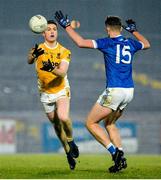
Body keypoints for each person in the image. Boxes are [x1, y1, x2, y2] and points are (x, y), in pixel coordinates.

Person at [54, 11, 150, 173]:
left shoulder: (107, 43)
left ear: (107, 29)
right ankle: (120, 155)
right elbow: (146, 44)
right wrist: (134, 30)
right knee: (110, 123)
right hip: (129, 91)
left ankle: (114, 153)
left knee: (90, 123)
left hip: (115, 90)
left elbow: (80, 42)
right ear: (120, 28)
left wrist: (67, 26)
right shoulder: (131, 43)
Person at [27, 20, 79, 170]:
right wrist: (31, 55)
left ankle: (71, 141)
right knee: (56, 125)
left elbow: (62, 73)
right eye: (48, 29)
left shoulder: (64, 51)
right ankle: (68, 153)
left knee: (63, 117)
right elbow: (29, 60)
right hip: (45, 93)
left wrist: (51, 68)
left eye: (54, 29)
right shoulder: (38, 49)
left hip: (61, 89)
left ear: (57, 32)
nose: (51, 31)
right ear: (43, 33)